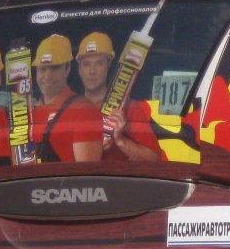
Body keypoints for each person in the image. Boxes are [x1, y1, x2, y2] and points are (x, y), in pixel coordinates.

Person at [75, 31, 159, 162]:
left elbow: (154, 160)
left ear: (109, 65)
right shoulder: (69, 110)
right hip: (74, 182)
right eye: (86, 64)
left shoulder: (128, 108)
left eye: (99, 63)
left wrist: (120, 140)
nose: (92, 71)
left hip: (114, 181)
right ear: (79, 69)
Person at [30, 33, 102, 163]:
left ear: (68, 68)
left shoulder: (83, 111)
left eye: (55, 68)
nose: (47, 76)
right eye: (43, 69)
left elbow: (87, 175)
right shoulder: (30, 114)